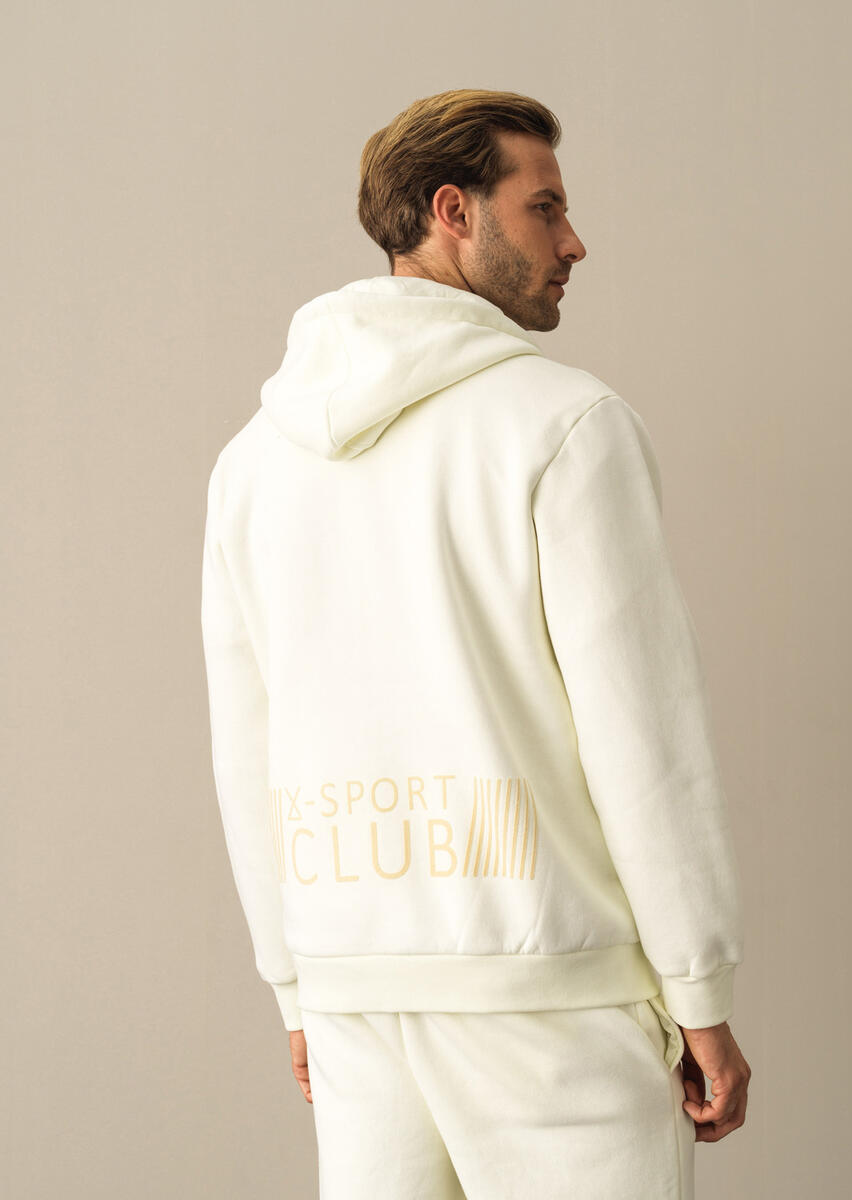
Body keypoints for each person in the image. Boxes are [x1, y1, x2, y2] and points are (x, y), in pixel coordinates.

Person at [200, 87, 751, 1199]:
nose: (573, 241)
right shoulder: (565, 425)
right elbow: (644, 735)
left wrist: (295, 987)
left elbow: (247, 743)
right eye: (545, 207)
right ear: (454, 211)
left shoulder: (253, 461)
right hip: (551, 999)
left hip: (355, 991)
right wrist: (700, 994)